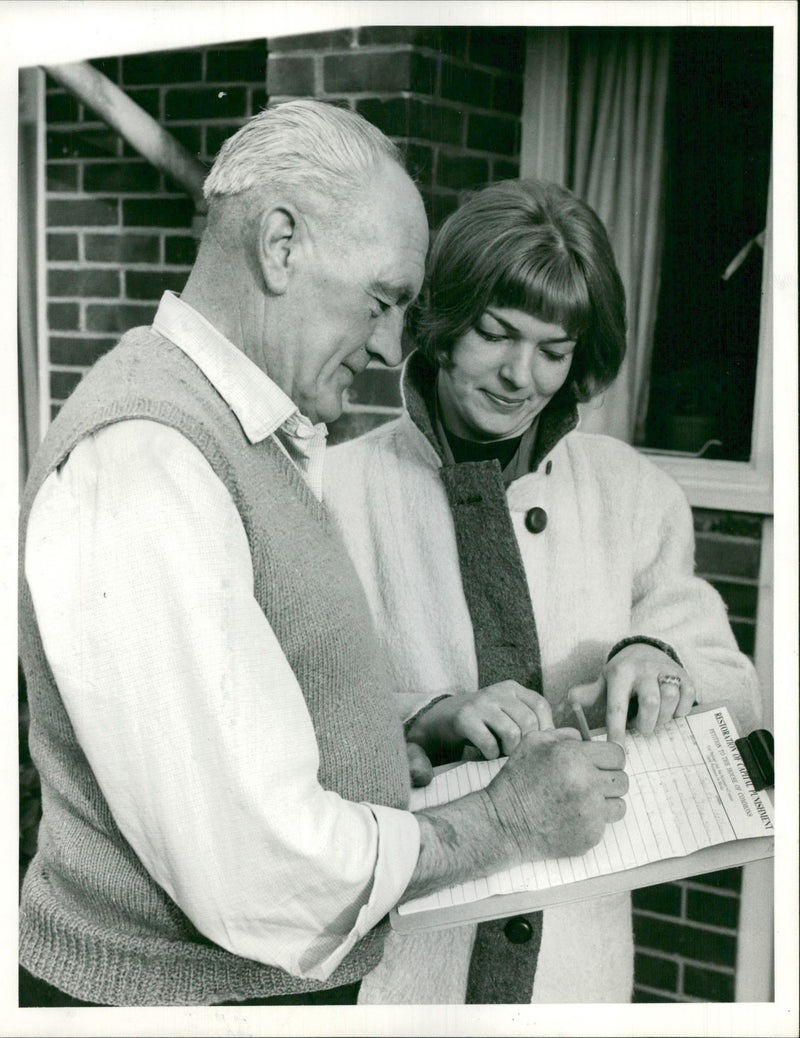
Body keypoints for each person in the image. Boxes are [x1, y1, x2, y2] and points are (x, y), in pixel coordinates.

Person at [18, 105, 629, 1007]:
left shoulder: (244, 437)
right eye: (382, 301)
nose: (390, 347)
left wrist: (404, 732)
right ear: (280, 245)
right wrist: (505, 819)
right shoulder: (147, 462)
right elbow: (254, 862)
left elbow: (252, 716)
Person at [325, 178, 762, 1004]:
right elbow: (294, 728)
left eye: (554, 351)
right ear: (443, 327)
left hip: (577, 974)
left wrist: (656, 662)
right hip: (409, 976)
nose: (521, 376)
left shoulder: (632, 494)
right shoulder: (338, 490)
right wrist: (426, 714)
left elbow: (736, 694)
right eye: (496, 334)